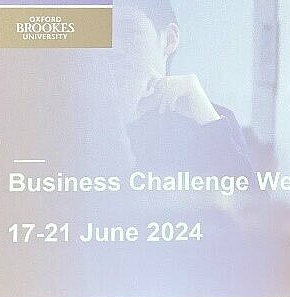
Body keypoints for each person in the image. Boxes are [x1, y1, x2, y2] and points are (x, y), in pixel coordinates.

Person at [109, 0, 256, 178]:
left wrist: (210, 122)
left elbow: (255, 203)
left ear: (169, 40)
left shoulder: (211, 119)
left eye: (129, 33)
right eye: (105, 38)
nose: (114, 49)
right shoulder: (84, 120)